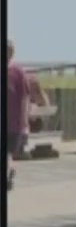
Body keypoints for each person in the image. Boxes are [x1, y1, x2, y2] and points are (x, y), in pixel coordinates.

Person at [7, 39, 29, 191]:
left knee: (8, 152)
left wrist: (24, 118)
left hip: (13, 121)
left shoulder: (18, 73)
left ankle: (8, 174)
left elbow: (25, 97)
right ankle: (9, 173)